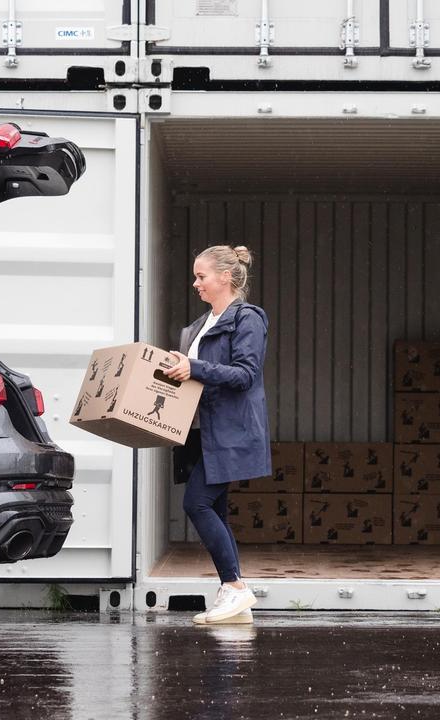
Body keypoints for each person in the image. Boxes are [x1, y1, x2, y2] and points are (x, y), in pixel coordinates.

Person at [164, 244, 271, 625]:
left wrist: (194, 367)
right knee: (217, 511)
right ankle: (236, 600)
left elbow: (245, 375)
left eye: (201, 276)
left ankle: (234, 587)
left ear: (225, 277)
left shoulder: (247, 319)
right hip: (200, 431)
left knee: (197, 504)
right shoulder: (199, 325)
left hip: (229, 430)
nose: (195, 283)